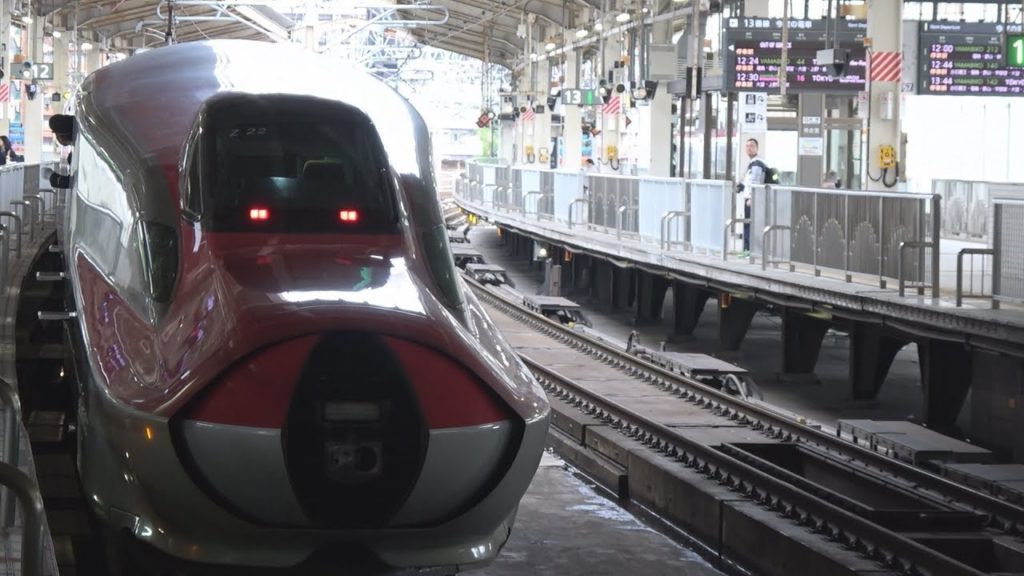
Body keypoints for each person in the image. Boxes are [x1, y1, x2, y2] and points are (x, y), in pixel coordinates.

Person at [735, 138, 766, 254]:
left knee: (750, 224)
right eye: (747, 146)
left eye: (752, 146)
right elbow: (749, 181)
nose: (749, 148)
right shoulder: (752, 163)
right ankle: (748, 249)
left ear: (757, 148)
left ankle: (749, 250)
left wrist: (752, 197)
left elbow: (756, 181)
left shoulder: (757, 163)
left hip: (752, 200)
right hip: (749, 198)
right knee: (748, 223)